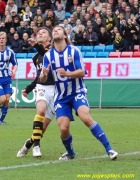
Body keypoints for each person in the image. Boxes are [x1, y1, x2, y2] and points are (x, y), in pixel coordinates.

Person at [40, 25, 119, 161]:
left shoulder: (74, 51)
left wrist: (68, 73)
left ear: (65, 35)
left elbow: (82, 72)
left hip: (77, 92)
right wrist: (44, 74)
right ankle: (70, 153)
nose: (55, 31)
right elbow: (43, 79)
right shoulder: (48, 55)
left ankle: (109, 149)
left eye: (58, 30)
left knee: (85, 117)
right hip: (61, 97)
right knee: (64, 129)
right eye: (54, 31)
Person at [17, 27, 55, 158]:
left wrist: (37, 46)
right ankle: (37, 147)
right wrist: (29, 88)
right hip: (42, 86)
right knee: (41, 110)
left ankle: (29, 143)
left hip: (56, 90)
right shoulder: (35, 57)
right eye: (39, 33)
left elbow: (46, 53)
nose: (40, 34)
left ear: (49, 38)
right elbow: (39, 76)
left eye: (44, 32)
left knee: (42, 128)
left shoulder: (53, 51)